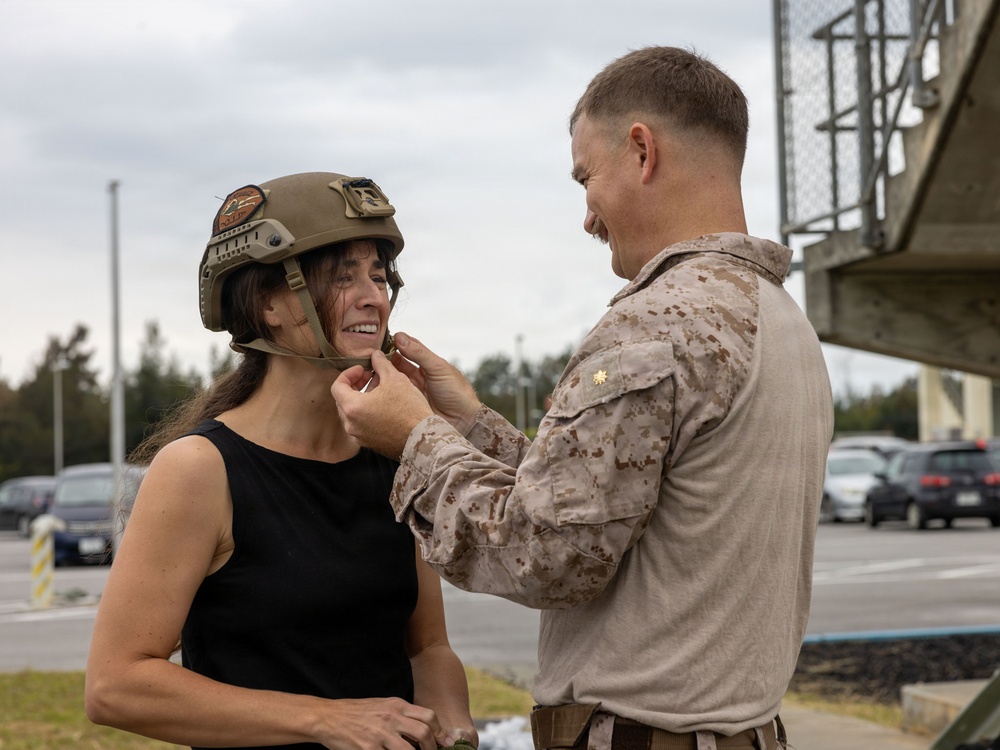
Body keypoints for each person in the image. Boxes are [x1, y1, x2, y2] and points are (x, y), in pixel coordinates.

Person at [331, 47, 835, 750]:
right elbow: (611, 498)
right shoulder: (780, 321)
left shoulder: (655, 323)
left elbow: (547, 554)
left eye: (585, 178)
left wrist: (415, 438)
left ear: (641, 150)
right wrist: (468, 424)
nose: (587, 215)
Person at [85, 172, 478, 750]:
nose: (374, 296)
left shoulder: (396, 459)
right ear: (268, 303)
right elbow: (115, 686)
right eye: (343, 277)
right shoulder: (199, 469)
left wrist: (454, 726)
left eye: (377, 274)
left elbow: (427, 648)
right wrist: (327, 719)